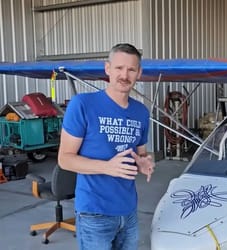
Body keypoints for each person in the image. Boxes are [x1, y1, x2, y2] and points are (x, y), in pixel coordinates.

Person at [58, 43, 155, 250]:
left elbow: (142, 153)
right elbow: (65, 158)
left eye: (131, 69)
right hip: (94, 213)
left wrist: (145, 162)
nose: (124, 75)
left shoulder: (141, 112)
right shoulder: (83, 104)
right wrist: (107, 167)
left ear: (139, 72)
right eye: (119, 68)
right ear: (107, 68)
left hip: (128, 212)